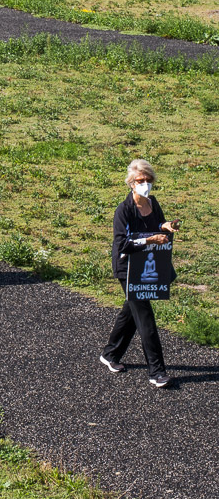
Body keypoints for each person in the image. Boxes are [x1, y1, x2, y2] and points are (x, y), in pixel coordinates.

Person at [100, 159, 180, 388]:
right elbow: (122, 244)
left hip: (146, 265)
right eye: (140, 181)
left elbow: (158, 225)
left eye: (148, 180)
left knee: (131, 312)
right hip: (127, 269)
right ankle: (156, 371)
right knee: (145, 318)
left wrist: (165, 227)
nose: (145, 184)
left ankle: (110, 354)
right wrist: (149, 239)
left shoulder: (153, 204)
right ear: (131, 184)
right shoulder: (123, 210)